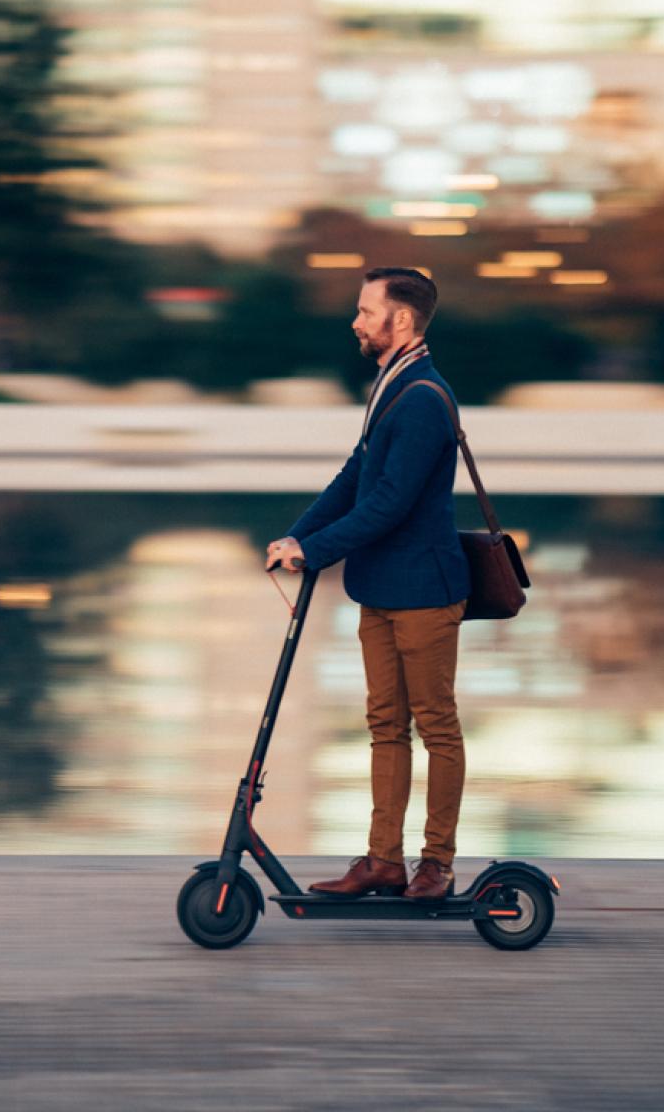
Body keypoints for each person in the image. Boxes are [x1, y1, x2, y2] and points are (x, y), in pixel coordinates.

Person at [266, 267, 470, 901]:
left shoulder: (423, 397)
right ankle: (384, 861)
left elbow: (389, 502)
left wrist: (316, 550)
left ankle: (436, 863)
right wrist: (296, 537)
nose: (355, 321)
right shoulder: (392, 385)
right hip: (379, 586)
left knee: (436, 726)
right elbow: (354, 478)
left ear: (400, 319)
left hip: (425, 590)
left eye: (365, 310)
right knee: (385, 724)